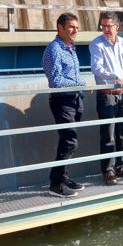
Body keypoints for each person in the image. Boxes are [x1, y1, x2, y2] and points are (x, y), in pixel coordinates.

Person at [90, 12, 123, 186]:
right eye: (102, 26)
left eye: (108, 26)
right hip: (107, 95)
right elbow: (96, 68)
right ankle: (108, 171)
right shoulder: (97, 44)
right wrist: (114, 77)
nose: (105, 29)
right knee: (108, 135)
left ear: (117, 27)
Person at [42, 13, 87, 198]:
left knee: (69, 142)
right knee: (69, 141)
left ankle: (63, 177)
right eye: (71, 27)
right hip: (62, 101)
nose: (75, 30)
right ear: (59, 28)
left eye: (77, 27)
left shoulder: (70, 47)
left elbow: (72, 75)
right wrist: (80, 85)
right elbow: (56, 80)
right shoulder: (54, 49)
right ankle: (55, 184)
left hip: (75, 100)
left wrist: (80, 90)